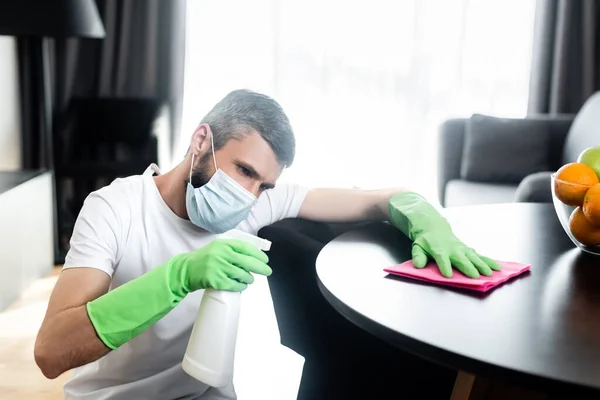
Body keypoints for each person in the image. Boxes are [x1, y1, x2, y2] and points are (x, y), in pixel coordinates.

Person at [34, 89, 500, 399]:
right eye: (244, 171)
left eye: (265, 185)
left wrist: (422, 215)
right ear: (201, 141)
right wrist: (178, 277)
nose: (250, 196)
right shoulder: (114, 208)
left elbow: (373, 200)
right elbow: (51, 352)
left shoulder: (256, 204)